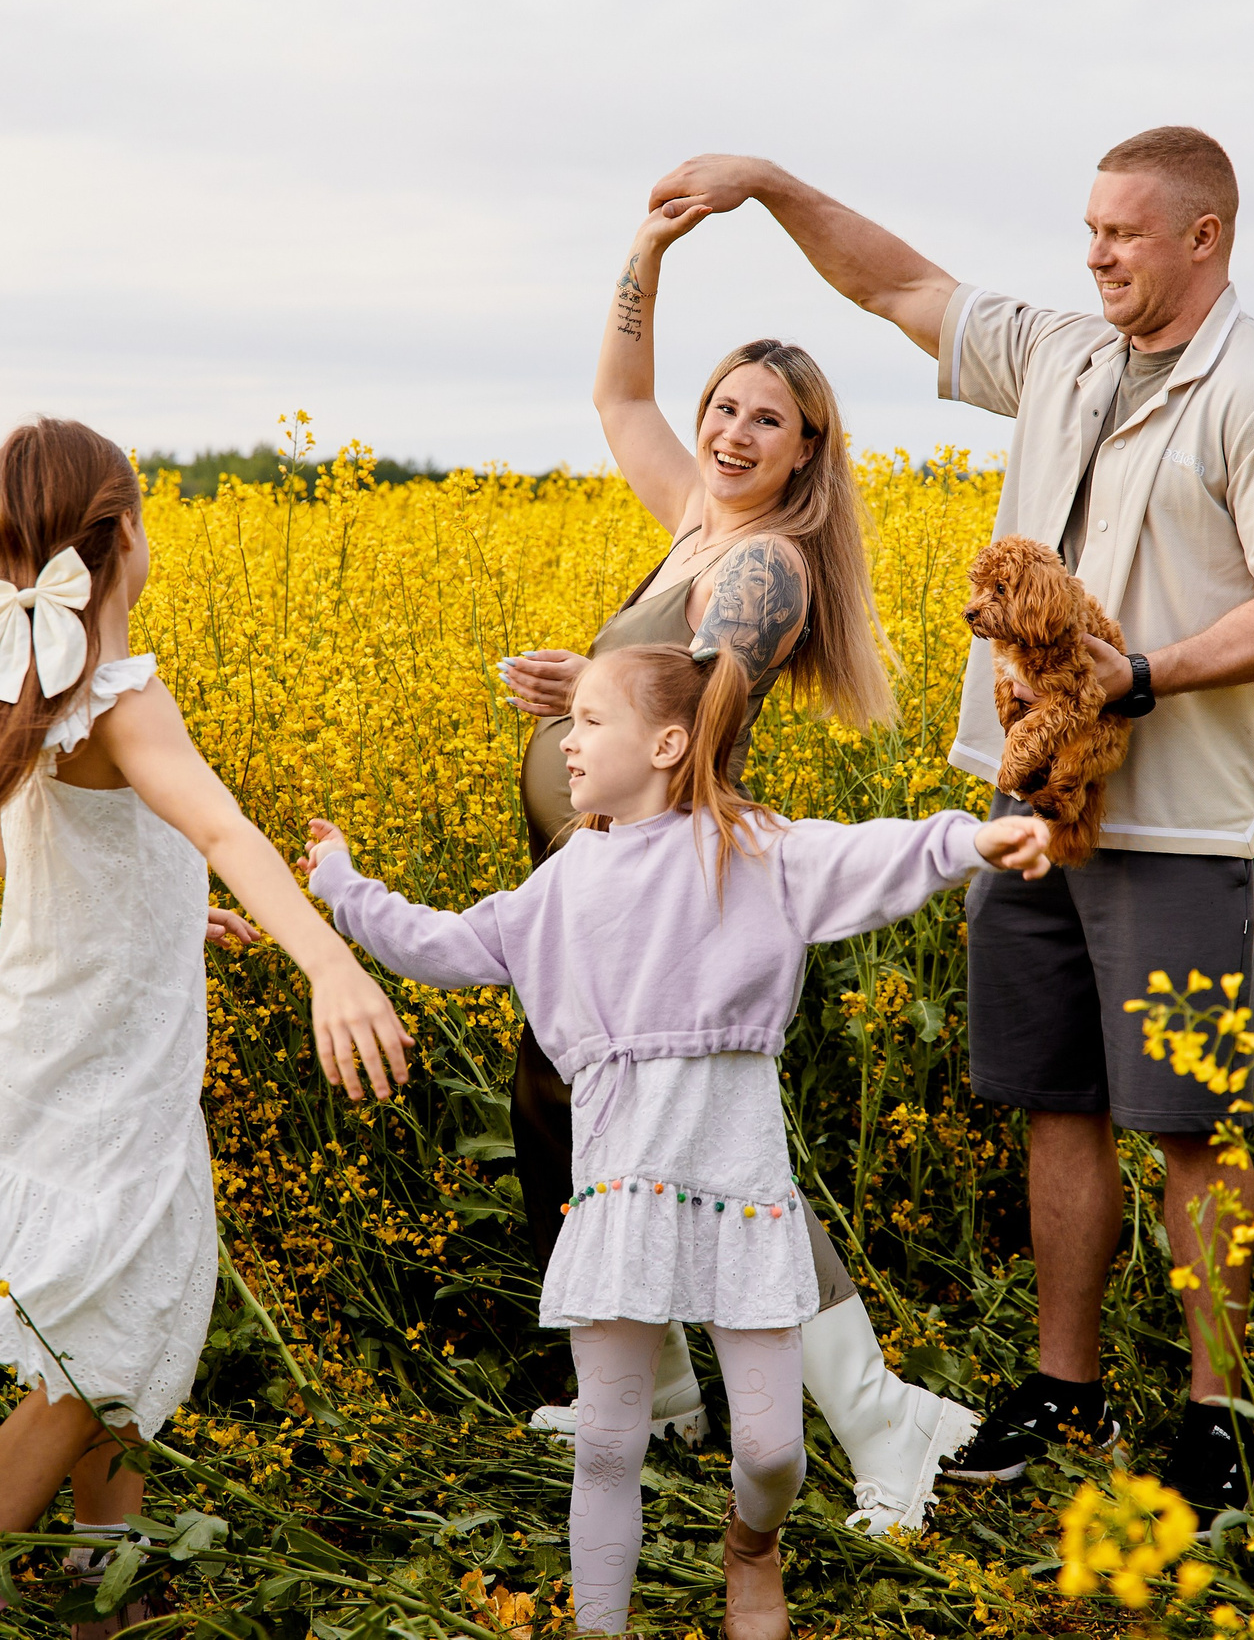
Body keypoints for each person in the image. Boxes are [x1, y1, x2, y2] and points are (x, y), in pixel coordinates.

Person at [647, 127, 1254, 1521]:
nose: (1095, 253)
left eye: (1125, 234)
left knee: (1190, 1122)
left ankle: (1218, 1417)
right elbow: (900, 288)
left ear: (1203, 238)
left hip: (1176, 825)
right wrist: (778, 190)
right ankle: (1065, 1385)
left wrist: (1141, 674)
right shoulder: (1067, 356)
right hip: (1023, 804)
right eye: (1089, 229)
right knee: (1056, 1096)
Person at [0, 418, 414, 1640]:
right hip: (102, 1071)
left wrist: (162, 915)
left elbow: (21, 847)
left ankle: (113, 1572)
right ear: (119, 540)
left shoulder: (13, 676)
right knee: (96, 1344)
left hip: (47, 1048)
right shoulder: (113, 690)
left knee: (119, 1315)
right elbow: (223, 829)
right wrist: (330, 964)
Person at [305, 644, 1053, 1638]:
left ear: (666, 743)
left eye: (588, 722)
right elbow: (443, 942)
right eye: (567, 723)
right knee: (608, 1447)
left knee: (774, 1453)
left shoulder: (751, 850)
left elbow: (868, 852)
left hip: (740, 1191)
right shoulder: (566, 880)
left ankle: (754, 1544)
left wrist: (971, 843)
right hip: (619, 1198)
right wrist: (344, 886)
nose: (565, 742)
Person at [489, 198, 981, 1535]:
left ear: (808, 446)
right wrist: (649, 254)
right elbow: (618, 390)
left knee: (714, 1149)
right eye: (727, 406)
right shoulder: (695, 519)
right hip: (605, 885)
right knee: (568, 1108)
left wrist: (588, 694)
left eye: (768, 418)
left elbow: (698, 717)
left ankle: (883, 1412)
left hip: (671, 891)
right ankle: (651, 1394)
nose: (732, 431)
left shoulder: (764, 566)